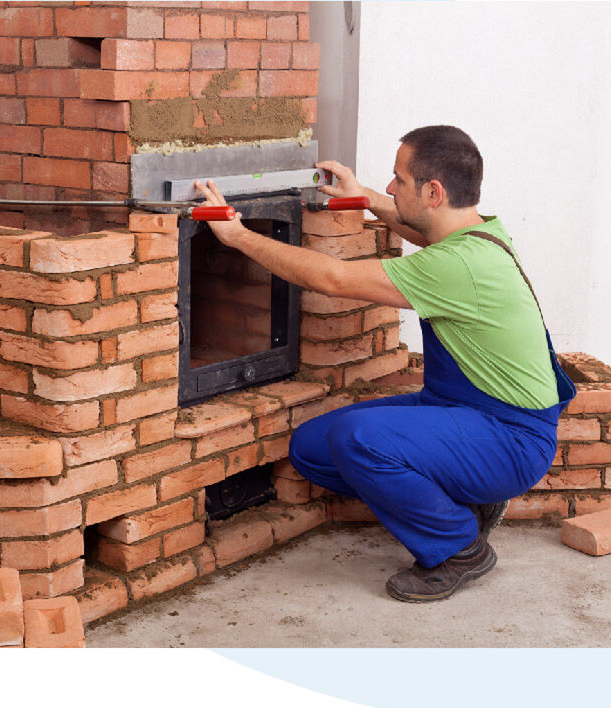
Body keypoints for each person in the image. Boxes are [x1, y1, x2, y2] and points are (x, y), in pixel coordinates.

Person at [193, 125, 576, 602]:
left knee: (359, 441)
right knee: (312, 448)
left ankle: (458, 548)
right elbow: (418, 227)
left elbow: (332, 277)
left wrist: (239, 237)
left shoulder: (459, 266)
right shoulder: (477, 233)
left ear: (433, 191)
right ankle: (458, 497)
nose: (391, 187)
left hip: (510, 437)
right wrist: (365, 197)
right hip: (463, 411)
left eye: (398, 179)